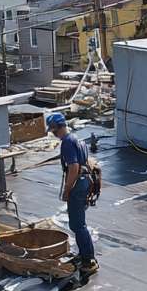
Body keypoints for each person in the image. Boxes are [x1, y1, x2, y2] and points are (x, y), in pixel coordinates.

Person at [49, 113, 99, 277]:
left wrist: (67, 189)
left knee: (78, 225)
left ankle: (88, 260)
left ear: (58, 127)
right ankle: (84, 254)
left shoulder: (67, 143)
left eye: (53, 129)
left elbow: (73, 167)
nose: (52, 133)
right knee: (79, 223)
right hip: (85, 182)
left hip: (78, 185)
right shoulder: (77, 138)